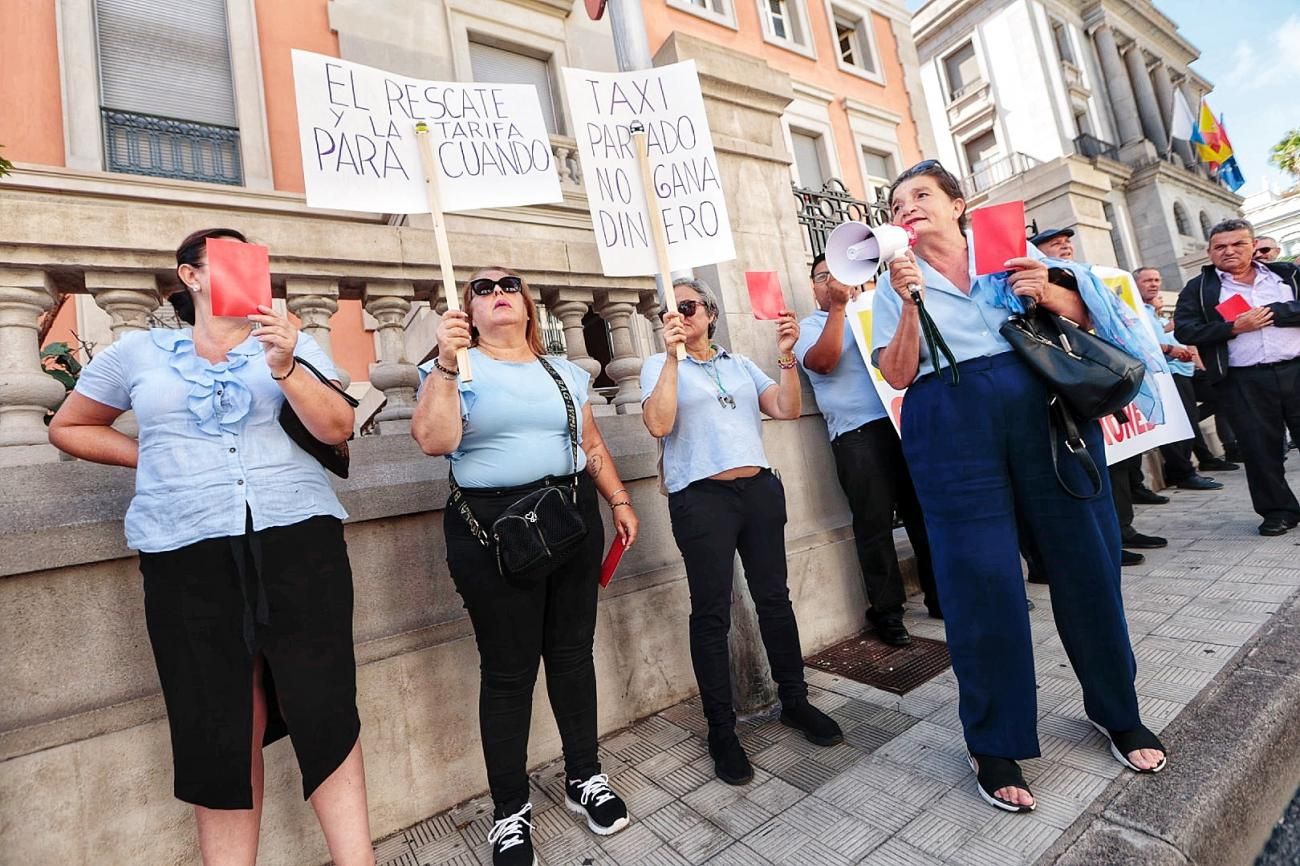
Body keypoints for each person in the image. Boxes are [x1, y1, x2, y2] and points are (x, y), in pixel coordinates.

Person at [47, 228, 375, 866]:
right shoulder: (137, 354)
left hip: (297, 537)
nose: (253, 271)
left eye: (259, 260)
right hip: (185, 549)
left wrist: (285, 365)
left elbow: (339, 427)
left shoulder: (293, 343)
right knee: (218, 721)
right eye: (231, 260)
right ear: (190, 277)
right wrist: (151, 456)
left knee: (325, 703)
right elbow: (69, 426)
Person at [874, 162, 1167, 814]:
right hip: (947, 423)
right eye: (897, 204)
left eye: (921, 195)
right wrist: (910, 303)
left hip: (1042, 411)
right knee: (980, 580)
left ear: (957, 204)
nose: (908, 208)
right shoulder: (890, 282)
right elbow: (896, 374)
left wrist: (1049, 291)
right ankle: (996, 740)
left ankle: (1116, 711)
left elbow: (1082, 311)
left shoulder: (1010, 249)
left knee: (1086, 562)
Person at [411, 267, 638, 866]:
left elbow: (589, 442)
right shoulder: (455, 368)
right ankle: (510, 811)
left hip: (569, 518)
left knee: (571, 654)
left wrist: (617, 499)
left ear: (528, 304)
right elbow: (433, 442)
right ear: (468, 311)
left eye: (508, 285)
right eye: (481, 290)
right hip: (491, 530)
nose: (497, 294)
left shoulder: (563, 370)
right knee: (508, 672)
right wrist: (444, 365)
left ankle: (584, 778)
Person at [640, 277, 842, 786]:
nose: (677, 315)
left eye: (686, 307)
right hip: (701, 499)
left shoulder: (738, 365)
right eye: (668, 309)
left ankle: (794, 700)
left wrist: (787, 357)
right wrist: (670, 359)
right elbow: (659, 425)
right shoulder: (658, 366)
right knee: (711, 614)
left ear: (709, 312)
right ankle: (721, 730)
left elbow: (786, 409)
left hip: (758, 492)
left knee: (774, 599)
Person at [796, 254, 941, 645]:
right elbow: (822, 364)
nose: (831, 282)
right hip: (857, 435)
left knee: (923, 515)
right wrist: (840, 308)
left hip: (899, 423)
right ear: (813, 286)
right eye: (823, 277)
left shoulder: (875, 310)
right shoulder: (809, 327)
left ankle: (940, 595)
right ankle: (887, 611)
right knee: (875, 526)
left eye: (838, 274)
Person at [1028, 230, 1159, 564]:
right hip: (1057, 384)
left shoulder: (1083, 281)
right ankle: (1083, 549)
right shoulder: (1025, 282)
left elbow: (1088, 319)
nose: (1064, 247)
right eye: (1054, 245)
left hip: (1090, 379)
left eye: (1066, 243)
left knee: (1109, 464)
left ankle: (1119, 532)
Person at [1174, 219, 1300, 536]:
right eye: (1220, 246)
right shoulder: (1199, 289)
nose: (1229, 251)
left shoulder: (1287, 274)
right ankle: (1279, 511)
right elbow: (1186, 329)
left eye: (1238, 244)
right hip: (1244, 380)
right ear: (1210, 251)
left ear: (1253, 245)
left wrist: (1276, 313)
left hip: (1296, 368)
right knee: (1259, 450)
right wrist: (1233, 327)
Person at [1135, 267, 1236, 477]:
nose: (1154, 284)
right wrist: (1171, 350)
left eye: (1156, 280)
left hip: (1183, 370)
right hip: (1165, 372)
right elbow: (1146, 343)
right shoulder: (1137, 312)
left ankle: (1190, 466)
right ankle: (1183, 471)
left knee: (1207, 405)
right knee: (1182, 420)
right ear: (1135, 285)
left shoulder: (1152, 314)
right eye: (1147, 281)